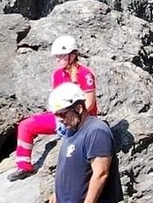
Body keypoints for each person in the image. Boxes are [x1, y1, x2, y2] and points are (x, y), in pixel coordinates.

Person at [10, 35, 99, 180]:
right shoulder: (58, 74)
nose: (57, 59)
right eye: (56, 56)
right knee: (26, 125)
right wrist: (59, 117)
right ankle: (24, 167)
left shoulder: (85, 74)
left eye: (62, 56)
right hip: (62, 116)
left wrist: (75, 122)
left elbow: (89, 103)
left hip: (81, 119)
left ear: (72, 55)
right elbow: (57, 101)